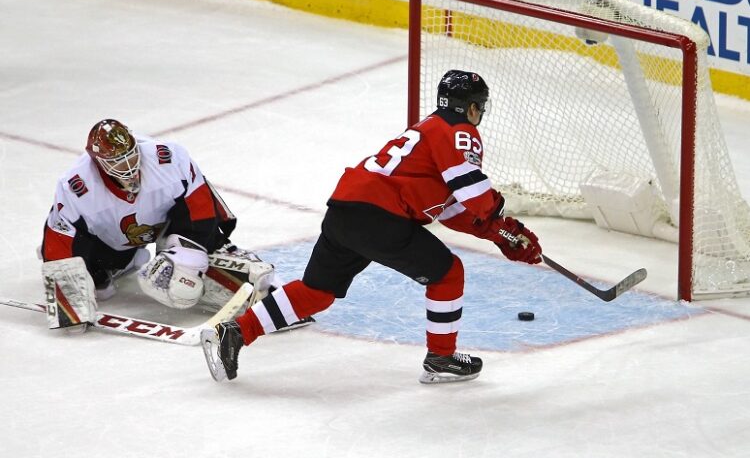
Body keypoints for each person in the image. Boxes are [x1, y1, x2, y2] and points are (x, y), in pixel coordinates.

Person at [201, 70, 543, 384]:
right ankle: (441, 358)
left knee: (317, 291)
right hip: (380, 216)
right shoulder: (460, 132)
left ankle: (237, 331)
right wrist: (501, 222)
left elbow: (452, 210)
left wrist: (495, 233)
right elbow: (479, 198)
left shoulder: (428, 130)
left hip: (346, 209)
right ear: (471, 108)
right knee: (448, 273)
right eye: (479, 107)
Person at [40, 118, 290, 331]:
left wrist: (187, 254)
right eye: (117, 162)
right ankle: (112, 266)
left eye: (131, 156)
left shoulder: (169, 158)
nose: (128, 167)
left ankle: (252, 284)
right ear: (98, 162)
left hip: (170, 226)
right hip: (109, 244)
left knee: (180, 280)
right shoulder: (76, 186)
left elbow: (201, 207)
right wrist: (66, 287)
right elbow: (59, 236)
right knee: (94, 281)